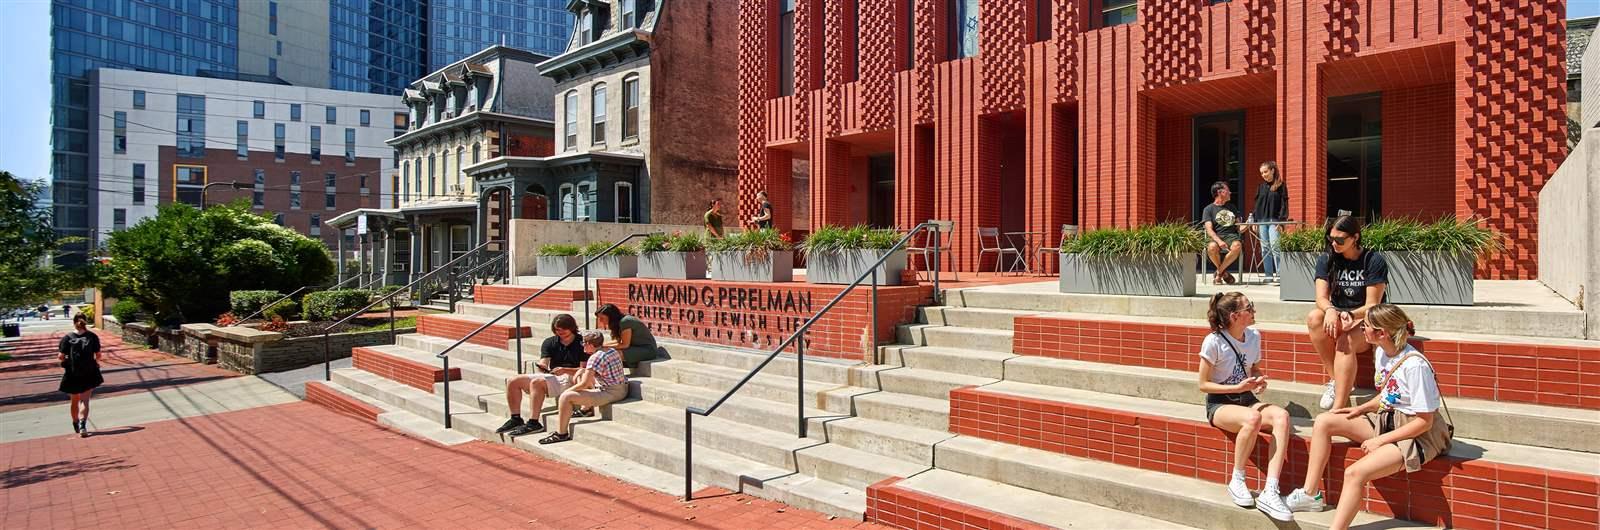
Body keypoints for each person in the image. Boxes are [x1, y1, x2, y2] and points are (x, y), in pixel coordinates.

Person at [1285, 304, 1453, 529]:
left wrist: (1379, 440)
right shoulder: (1383, 351)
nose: (1360, 329)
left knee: (1354, 473)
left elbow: (1425, 421)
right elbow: (1389, 394)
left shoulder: (1415, 366)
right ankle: (1310, 493)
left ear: (1382, 333)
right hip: (1388, 420)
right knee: (1325, 421)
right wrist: (1361, 410)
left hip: (1416, 434)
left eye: (1365, 326)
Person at [1199, 292, 1295, 522]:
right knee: (1253, 419)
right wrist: (1237, 387)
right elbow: (1203, 384)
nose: (1254, 311)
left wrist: (1258, 381)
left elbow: (1255, 369)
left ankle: (1271, 490)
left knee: (1281, 416)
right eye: (1249, 308)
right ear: (1235, 316)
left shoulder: (1253, 336)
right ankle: (1237, 479)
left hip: (1246, 398)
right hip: (1220, 403)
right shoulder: (1214, 341)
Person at [1306, 215, 1387, 410]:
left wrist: (1352, 316)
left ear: (1355, 237)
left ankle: (1338, 410)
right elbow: (1321, 298)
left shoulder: (1373, 260)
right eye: (1331, 239)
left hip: (1368, 318)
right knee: (1315, 317)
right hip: (1341, 315)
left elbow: (1372, 304)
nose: (1334, 243)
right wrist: (1332, 310)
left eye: (1340, 240)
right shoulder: (1326, 259)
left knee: (1345, 342)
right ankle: (1336, 380)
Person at [495, 314, 589, 436]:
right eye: (557, 330)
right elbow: (544, 362)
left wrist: (565, 370)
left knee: (537, 382)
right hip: (554, 375)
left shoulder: (582, 343)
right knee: (513, 381)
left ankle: (534, 422)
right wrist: (542, 366)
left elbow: (584, 370)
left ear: (571, 327)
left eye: (563, 329)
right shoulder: (550, 342)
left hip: (573, 376)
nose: (560, 332)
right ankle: (516, 418)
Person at [538, 330, 629, 445]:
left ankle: (561, 434)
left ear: (590, 345)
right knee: (581, 371)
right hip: (621, 387)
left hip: (611, 392)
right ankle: (585, 409)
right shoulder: (610, 350)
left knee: (566, 397)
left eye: (584, 343)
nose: (582, 345)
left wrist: (567, 391)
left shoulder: (595, 357)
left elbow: (584, 384)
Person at [59, 314, 104, 437]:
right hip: (89, 371)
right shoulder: (92, 336)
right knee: (85, 400)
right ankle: (83, 424)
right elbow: (98, 355)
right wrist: (95, 362)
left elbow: (61, 356)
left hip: (72, 373)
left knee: (74, 400)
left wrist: (65, 360)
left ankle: (75, 422)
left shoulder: (67, 338)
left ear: (74, 322)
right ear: (86, 322)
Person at [1251, 161, 1289, 284]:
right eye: (1261, 173)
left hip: (1274, 221)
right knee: (1264, 249)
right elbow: (1257, 206)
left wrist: (1282, 221)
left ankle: (1279, 275)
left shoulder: (1281, 186)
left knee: (1275, 247)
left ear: (1272, 170)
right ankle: (1268, 275)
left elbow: (1284, 204)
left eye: (1265, 172)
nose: (1263, 175)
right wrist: (1255, 221)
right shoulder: (1260, 187)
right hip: (1262, 221)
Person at [1203, 182, 1246, 284]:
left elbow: (1239, 228)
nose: (1230, 192)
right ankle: (1225, 273)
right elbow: (1209, 229)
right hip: (1216, 236)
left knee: (1237, 245)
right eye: (1227, 190)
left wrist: (1248, 224)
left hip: (1231, 236)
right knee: (1212, 247)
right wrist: (1219, 241)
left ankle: (1219, 272)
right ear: (1220, 192)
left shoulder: (1232, 207)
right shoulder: (1208, 209)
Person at [595, 303, 657, 367]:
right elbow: (617, 341)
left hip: (647, 350)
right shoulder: (618, 323)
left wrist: (603, 347)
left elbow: (625, 345)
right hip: (634, 347)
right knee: (604, 351)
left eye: (602, 318)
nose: (600, 321)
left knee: (613, 353)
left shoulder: (625, 322)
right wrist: (600, 346)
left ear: (611, 316)